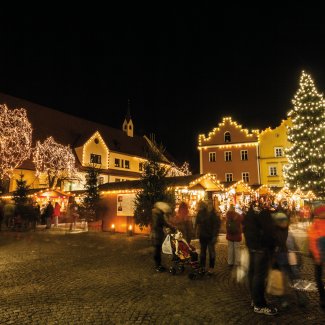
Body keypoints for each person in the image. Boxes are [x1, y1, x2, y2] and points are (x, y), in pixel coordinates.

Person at [243, 201, 278, 316]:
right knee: (259, 276)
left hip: (252, 247)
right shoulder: (264, 214)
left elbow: (245, 230)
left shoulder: (249, 214)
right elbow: (270, 232)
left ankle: (254, 299)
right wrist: (272, 246)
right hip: (261, 248)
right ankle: (259, 305)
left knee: (252, 274)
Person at [195, 200, 221, 275]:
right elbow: (197, 223)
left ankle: (208, 267)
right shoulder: (202, 213)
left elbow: (216, 226)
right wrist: (197, 231)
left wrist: (215, 235)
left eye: (210, 205)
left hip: (209, 236)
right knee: (204, 252)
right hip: (204, 236)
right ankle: (205, 267)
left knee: (209, 252)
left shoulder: (212, 214)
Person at [308, 203, 325, 308]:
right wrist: (317, 256)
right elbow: (313, 242)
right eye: (323, 212)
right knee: (318, 277)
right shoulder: (315, 225)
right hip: (318, 255)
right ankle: (322, 297)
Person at [151, 201, 175, 272]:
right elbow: (164, 223)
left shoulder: (155, 213)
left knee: (157, 250)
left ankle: (158, 265)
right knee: (157, 250)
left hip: (156, 234)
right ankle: (158, 266)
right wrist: (172, 227)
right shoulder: (159, 215)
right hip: (158, 234)